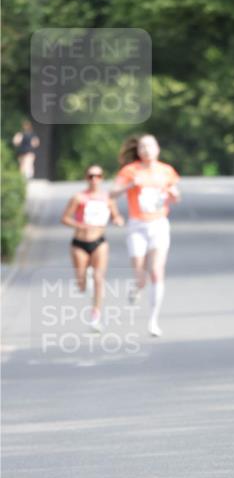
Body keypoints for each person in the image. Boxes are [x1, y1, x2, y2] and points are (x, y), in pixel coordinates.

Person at [111, 134, 181, 337]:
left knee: (157, 270)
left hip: (159, 223)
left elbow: (175, 193)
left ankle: (153, 320)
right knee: (140, 275)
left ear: (157, 148)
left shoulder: (166, 170)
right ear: (138, 150)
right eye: (142, 147)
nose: (146, 150)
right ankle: (137, 286)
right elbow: (112, 193)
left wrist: (174, 195)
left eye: (150, 146)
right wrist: (130, 185)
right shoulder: (130, 171)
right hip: (137, 225)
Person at [60, 165, 124, 330]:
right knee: (81, 283)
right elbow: (65, 218)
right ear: (86, 178)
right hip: (80, 243)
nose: (94, 179)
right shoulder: (78, 198)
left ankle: (95, 317)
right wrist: (80, 225)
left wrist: (118, 220)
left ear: (102, 178)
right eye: (91, 176)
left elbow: (116, 216)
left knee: (98, 278)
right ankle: (83, 279)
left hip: (99, 242)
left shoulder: (108, 198)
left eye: (98, 176)